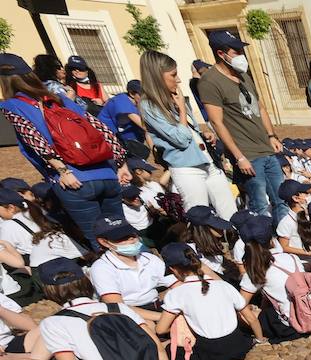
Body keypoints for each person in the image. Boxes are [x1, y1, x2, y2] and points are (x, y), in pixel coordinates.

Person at [0, 257, 171, 360]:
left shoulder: (55, 322)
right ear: (86, 281)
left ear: (48, 291)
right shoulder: (119, 307)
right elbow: (155, 345)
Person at [0, 55, 130, 245]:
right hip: (107, 174)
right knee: (122, 234)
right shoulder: (59, 98)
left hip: (75, 181)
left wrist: (63, 171)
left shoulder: (11, 106)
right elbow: (98, 126)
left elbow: (33, 139)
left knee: (101, 241)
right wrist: (121, 163)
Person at [199, 30, 289, 223]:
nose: (241, 55)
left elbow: (261, 107)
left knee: (281, 199)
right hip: (247, 153)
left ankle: (283, 238)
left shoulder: (244, 75)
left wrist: (271, 135)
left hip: (266, 147)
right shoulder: (210, 81)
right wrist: (239, 157)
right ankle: (262, 244)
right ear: (221, 54)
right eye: (236, 51)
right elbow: (217, 122)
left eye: (241, 51)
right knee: (259, 204)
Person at [138, 51, 237, 219]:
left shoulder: (176, 96)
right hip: (187, 169)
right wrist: (182, 109)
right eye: (173, 75)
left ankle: (238, 243)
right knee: (200, 219)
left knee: (230, 212)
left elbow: (191, 131)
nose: (178, 80)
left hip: (208, 161)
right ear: (157, 77)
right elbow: (181, 139)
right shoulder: (149, 106)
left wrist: (204, 133)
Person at [156, 242, 263, 360]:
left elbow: (160, 329)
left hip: (210, 351)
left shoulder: (176, 294)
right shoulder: (224, 286)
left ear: (173, 269)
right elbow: (251, 318)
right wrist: (260, 340)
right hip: (238, 344)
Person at [97, 80, 148, 159]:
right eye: (142, 94)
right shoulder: (122, 102)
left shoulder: (138, 103)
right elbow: (145, 127)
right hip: (107, 140)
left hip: (126, 136)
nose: (145, 97)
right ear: (131, 94)